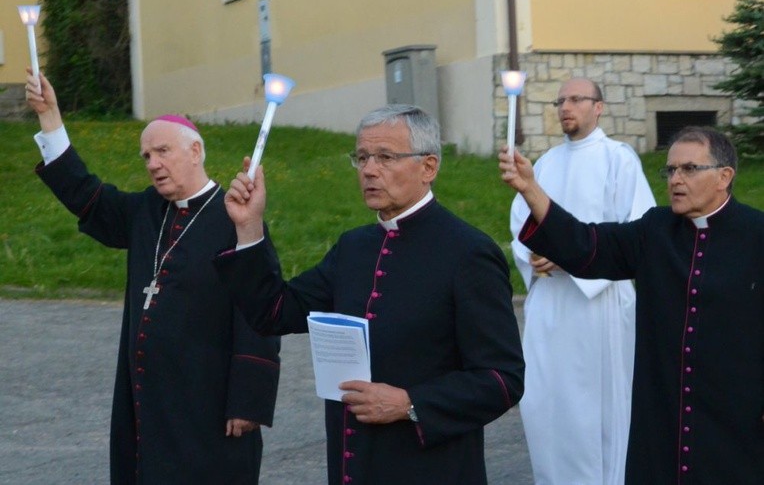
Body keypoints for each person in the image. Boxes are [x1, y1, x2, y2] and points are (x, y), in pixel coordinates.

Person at [214, 104, 525, 485]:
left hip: (431, 468)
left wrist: (409, 403)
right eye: (362, 157)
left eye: (385, 157)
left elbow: (502, 378)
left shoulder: (468, 252)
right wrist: (249, 228)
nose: (369, 170)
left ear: (428, 168)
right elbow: (275, 311)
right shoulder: (353, 247)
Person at [25, 70, 281, 484]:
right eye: (146, 156)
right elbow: (87, 197)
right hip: (146, 395)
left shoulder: (236, 216)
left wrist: (249, 400)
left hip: (208, 397)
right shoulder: (146, 211)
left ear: (195, 150)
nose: (153, 164)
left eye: (162, 151)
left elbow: (260, 310)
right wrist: (51, 117)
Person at [499, 126, 764, 484]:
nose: (675, 180)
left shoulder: (756, 235)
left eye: (688, 169)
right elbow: (586, 245)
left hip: (733, 419)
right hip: (662, 418)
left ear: (724, 176)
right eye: (670, 170)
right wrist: (530, 188)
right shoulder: (656, 229)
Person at [509, 78, 655, 484]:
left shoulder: (619, 160)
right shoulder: (545, 164)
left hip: (600, 305)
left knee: (598, 409)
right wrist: (532, 255)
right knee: (546, 402)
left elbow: (638, 229)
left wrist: (571, 260)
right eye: (560, 101)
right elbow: (521, 220)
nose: (565, 107)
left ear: (599, 107)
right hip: (552, 305)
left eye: (576, 99)